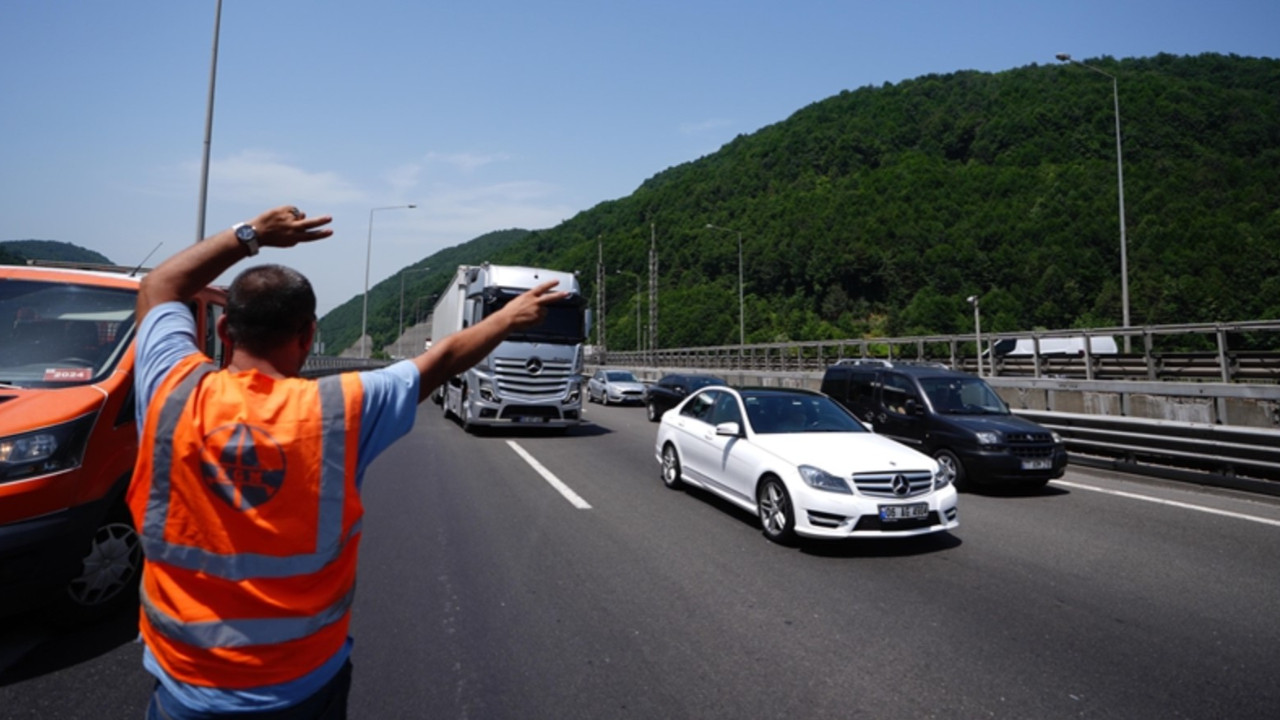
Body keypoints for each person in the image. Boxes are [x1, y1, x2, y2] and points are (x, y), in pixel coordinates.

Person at [126, 205, 568, 719]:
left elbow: (159, 286)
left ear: (225, 331)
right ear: (309, 336)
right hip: (302, 687)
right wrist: (509, 317)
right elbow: (443, 359)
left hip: (184, 686)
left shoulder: (170, 389)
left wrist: (253, 235)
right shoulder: (341, 409)